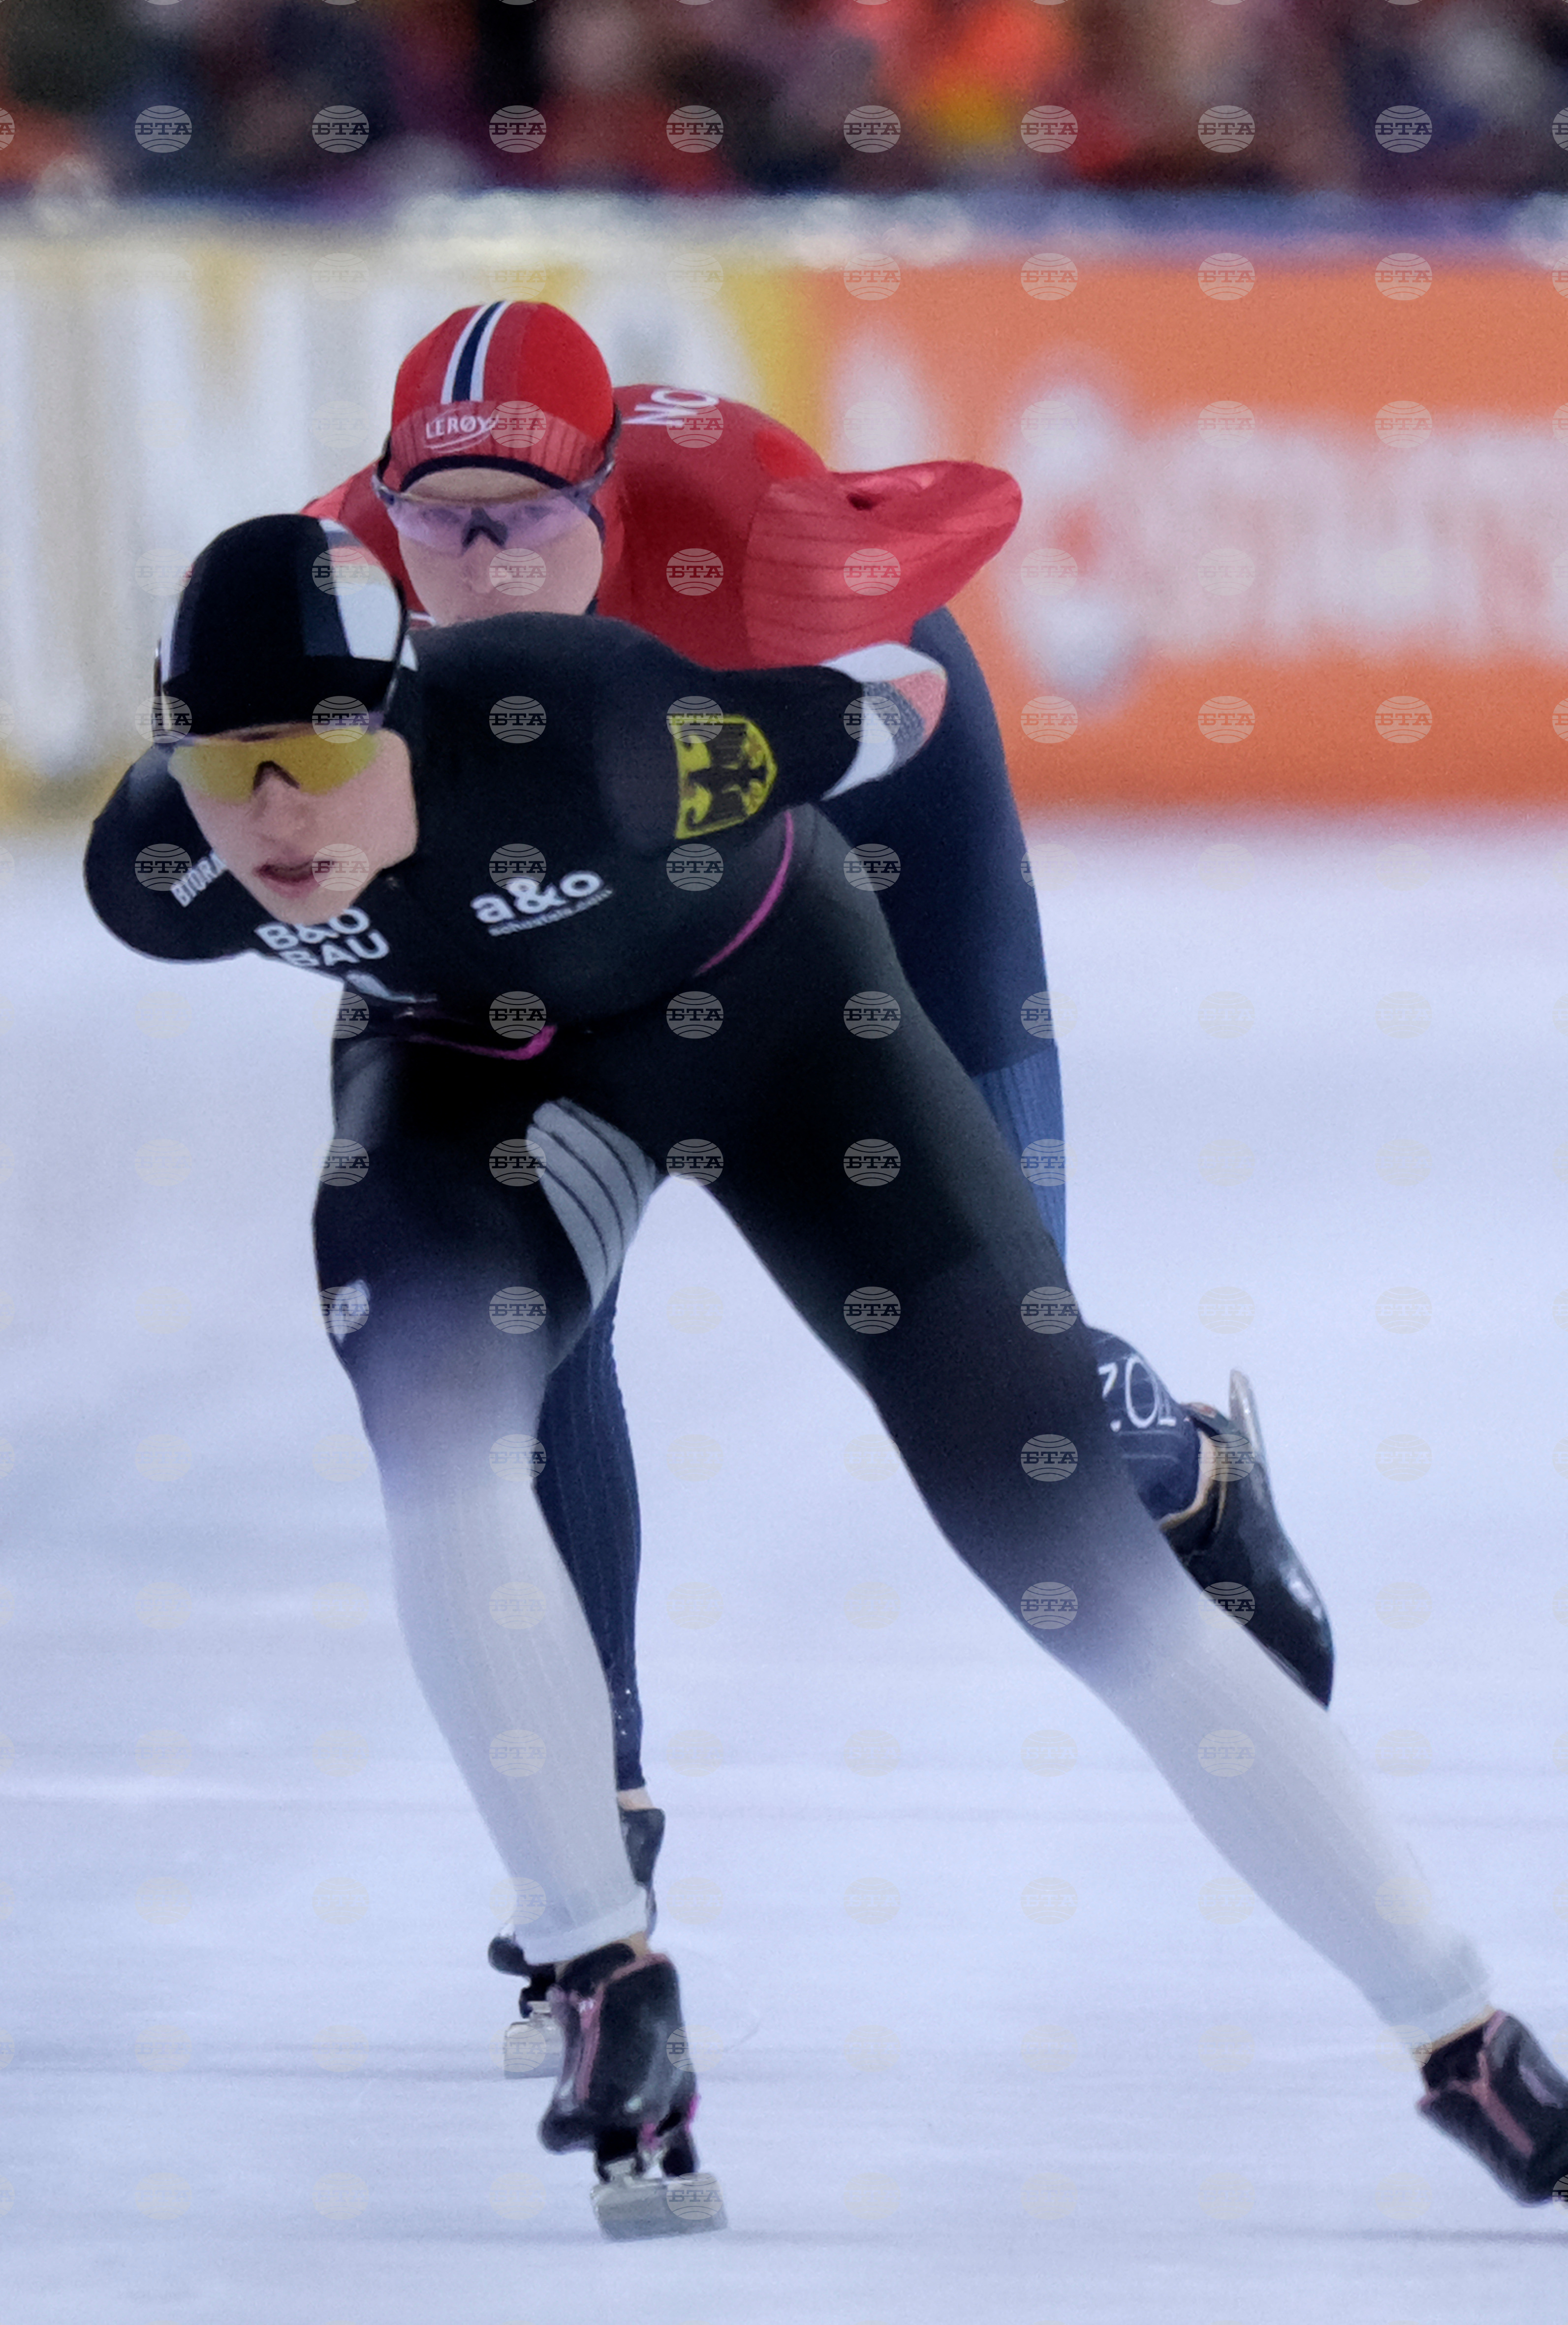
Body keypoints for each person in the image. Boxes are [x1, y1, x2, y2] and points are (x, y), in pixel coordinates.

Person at [83, 513, 1568, 2245]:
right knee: (441, 1436)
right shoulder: (156, 874)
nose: (276, 822)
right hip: (479, 1084)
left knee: (1072, 1556)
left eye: (317, 756)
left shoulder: (600, 731)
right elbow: (241, 846)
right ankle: (603, 1969)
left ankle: (1462, 2029)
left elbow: (902, 698)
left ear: (410, 711)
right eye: (228, 768)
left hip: (787, 1039)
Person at [305, 303, 1336, 1998]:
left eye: (527, 522)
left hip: (850, 813)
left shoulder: (746, 530)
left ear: (614, 497)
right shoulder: (347, 581)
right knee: (524, 1319)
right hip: (564, 878)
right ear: (384, 504)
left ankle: (1186, 1463)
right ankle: (600, 1806)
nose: (479, 569)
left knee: (1012, 1363)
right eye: (441, 524)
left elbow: (912, 697)